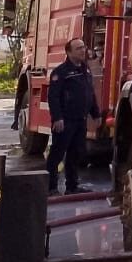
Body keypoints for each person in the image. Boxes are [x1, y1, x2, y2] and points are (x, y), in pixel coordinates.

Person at [45, 38, 100, 194]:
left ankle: (72, 186)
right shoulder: (61, 72)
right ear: (69, 52)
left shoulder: (85, 70)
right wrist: (57, 118)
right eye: (78, 48)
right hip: (65, 120)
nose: (83, 50)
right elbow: (53, 97)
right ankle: (51, 187)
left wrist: (95, 113)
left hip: (80, 120)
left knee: (75, 154)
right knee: (57, 154)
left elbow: (90, 93)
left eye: (84, 47)